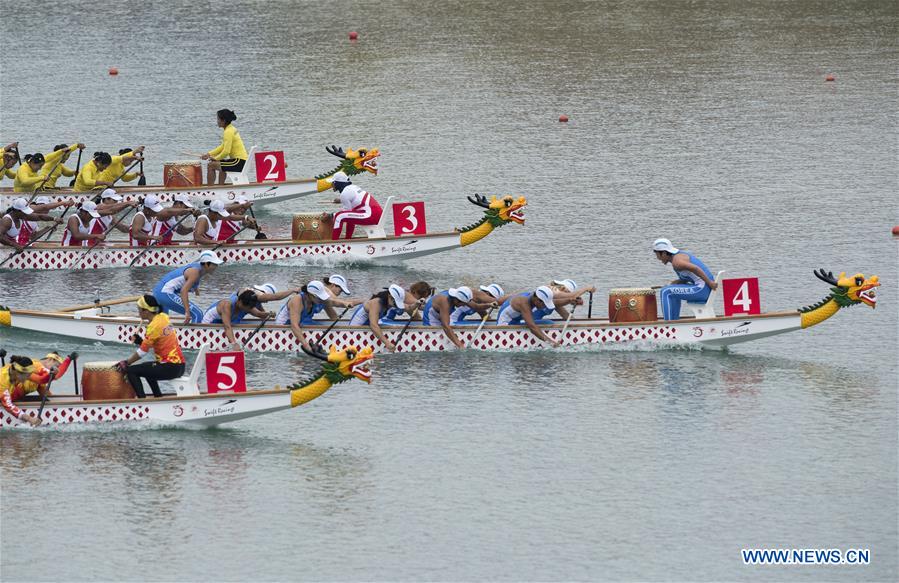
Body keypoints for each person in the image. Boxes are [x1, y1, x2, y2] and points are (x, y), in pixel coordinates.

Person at [115, 295, 186, 398]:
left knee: (130, 371)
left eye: (139, 310)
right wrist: (140, 341)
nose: (138, 312)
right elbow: (156, 343)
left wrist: (126, 362)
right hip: (180, 366)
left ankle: (142, 401)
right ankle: (157, 396)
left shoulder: (153, 326)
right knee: (146, 367)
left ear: (146, 311)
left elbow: (142, 352)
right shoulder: (163, 317)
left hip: (170, 367)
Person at [275, 280, 359, 351]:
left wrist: (345, 304)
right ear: (310, 294)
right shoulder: (297, 300)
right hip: (284, 326)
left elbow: (333, 302)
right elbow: (294, 325)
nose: (320, 299)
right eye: (318, 297)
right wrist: (306, 345)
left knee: (320, 325)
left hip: (302, 322)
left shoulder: (316, 298)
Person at [348, 282, 431, 352]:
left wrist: (417, 303)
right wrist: (387, 343)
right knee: (395, 326)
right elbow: (373, 325)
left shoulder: (390, 302)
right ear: (390, 297)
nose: (396, 305)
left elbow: (409, 308)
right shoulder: (375, 303)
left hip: (365, 328)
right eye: (396, 302)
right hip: (354, 331)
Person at [652, 238, 717, 320]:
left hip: (703, 289)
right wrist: (679, 281)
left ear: (664, 253)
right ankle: (673, 322)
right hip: (703, 288)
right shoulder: (678, 256)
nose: (657, 258)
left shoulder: (677, 262)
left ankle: (668, 325)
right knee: (671, 291)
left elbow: (695, 268)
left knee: (666, 291)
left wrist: (710, 283)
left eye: (657, 254)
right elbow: (692, 275)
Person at [151, 250, 224, 324]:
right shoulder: (195, 272)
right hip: (165, 293)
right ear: (206, 264)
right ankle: (195, 334)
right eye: (214, 264)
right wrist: (187, 311)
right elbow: (183, 291)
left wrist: (196, 289)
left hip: (158, 291)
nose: (216, 266)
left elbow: (188, 281)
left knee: (163, 322)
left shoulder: (198, 268)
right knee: (197, 314)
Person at [202, 288, 282, 350]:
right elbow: (227, 326)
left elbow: (259, 314)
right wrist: (234, 344)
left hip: (226, 323)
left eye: (249, 308)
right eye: (246, 308)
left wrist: (269, 314)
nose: (247, 310)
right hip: (209, 323)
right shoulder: (227, 304)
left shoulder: (246, 304)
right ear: (239, 301)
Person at [495, 286, 565, 347]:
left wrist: (570, 300)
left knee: (548, 322)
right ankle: (553, 341)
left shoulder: (531, 296)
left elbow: (555, 302)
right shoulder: (523, 302)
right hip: (504, 327)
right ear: (537, 299)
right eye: (544, 303)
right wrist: (551, 343)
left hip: (515, 322)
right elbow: (532, 327)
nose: (545, 306)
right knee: (541, 324)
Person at [327, 171, 383, 239]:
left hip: (371, 215)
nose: (331, 185)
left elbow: (344, 214)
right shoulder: (353, 187)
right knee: (349, 214)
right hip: (377, 215)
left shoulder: (344, 193)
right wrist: (341, 200)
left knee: (339, 216)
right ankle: (348, 239)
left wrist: (332, 215)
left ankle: (334, 243)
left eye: (333, 183)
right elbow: (349, 215)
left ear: (338, 183)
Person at [202, 109, 248, 185]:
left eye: (218, 119)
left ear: (223, 120)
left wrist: (215, 158)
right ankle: (221, 186)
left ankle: (210, 189)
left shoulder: (228, 132)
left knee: (211, 165)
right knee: (220, 162)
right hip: (241, 161)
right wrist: (209, 154)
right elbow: (223, 146)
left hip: (239, 162)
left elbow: (226, 151)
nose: (217, 121)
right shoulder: (231, 128)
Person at [13, 144, 82, 192]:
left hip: (33, 192)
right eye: (39, 166)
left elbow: (49, 156)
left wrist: (75, 146)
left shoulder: (34, 164)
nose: (40, 169)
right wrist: (42, 178)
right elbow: (25, 181)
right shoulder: (23, 169)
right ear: (33, 162)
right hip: (20, 195)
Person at [0, 356, 43, 425]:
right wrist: (29, 418)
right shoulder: (2, 380)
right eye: (26, 375)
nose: (28, 378)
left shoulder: (15, 370)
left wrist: (53, 372)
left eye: (29, 374)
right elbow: (8, 406)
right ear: (16, 372)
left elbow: (42, 371)